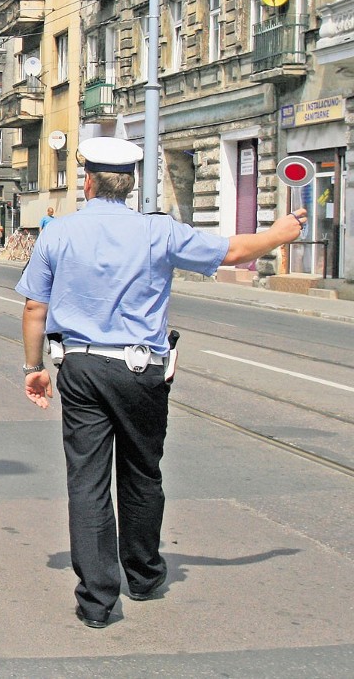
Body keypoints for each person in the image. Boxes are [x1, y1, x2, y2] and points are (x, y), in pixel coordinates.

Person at [15, 136, 308, 629]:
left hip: (82, 369)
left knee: (87, 483)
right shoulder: (160, 233)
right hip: (140, 370)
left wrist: (34, 367)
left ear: (86, 182)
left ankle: (97, 601)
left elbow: (33, 308)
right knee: (142, 472)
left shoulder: (56, 234)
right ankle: (145, 576)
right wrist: (279, 233)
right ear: (129, 185)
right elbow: (233, 251)